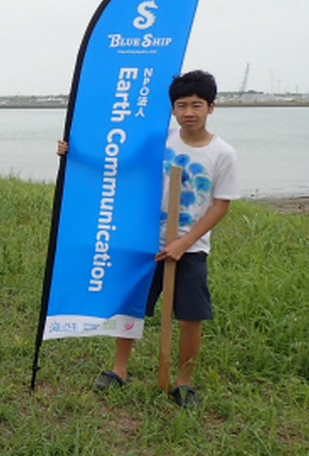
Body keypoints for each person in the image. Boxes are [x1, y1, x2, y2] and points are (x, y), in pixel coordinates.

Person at [59, 70, 238, 408]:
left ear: (211, 107)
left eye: (196, 105)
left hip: (190, 248)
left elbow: (220, 205)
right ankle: (118, 370)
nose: (189, 112)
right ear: (172, 109)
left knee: (190, 316)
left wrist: (184, 244)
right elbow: (118, 165)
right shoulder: (159, 142)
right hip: (144, 243)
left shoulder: (223, 153)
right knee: (131, 307)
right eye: (181, 105)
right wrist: (76, 153)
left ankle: (183, 382)